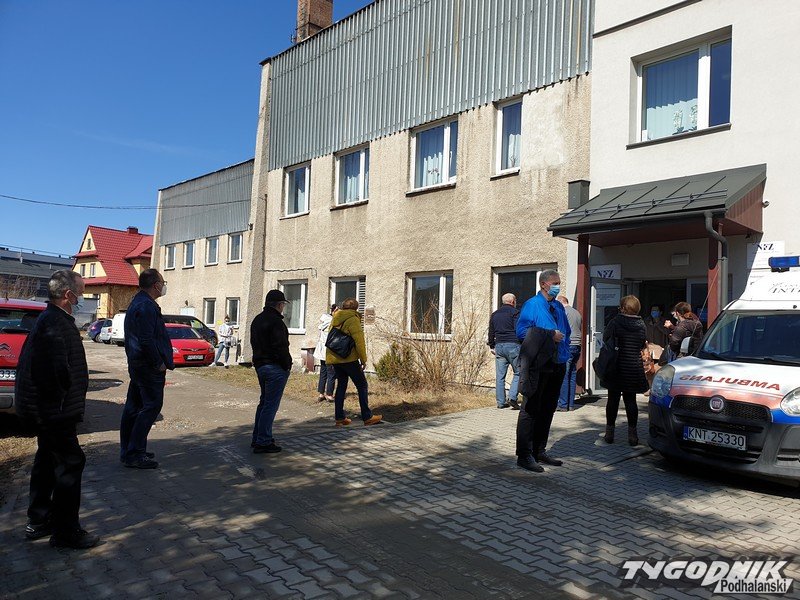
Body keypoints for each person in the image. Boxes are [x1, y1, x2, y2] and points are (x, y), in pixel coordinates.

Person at [15, 270, 99, 549]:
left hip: (48, 410)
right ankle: (66, 531)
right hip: (54, 412)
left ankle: (39, 519)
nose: (82, 298)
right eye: (81, 293)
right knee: (70, 462)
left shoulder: (53, 319)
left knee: (47, 461)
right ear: (68, 295)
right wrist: (61, 409)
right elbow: (52, 373)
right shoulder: (55, 324)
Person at [514, 270, 570, 471]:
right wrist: (549, 335)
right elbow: (522, 332)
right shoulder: (532, 304)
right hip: (539, 364)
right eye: (555, 283)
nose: (558, 286)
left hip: (558, 363)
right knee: (531, 409)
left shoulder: (558, 306)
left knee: (547, 409)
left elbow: (567, 331)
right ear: (544, 284)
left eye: (559, 283)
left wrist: (565, 351)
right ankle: (524, 455)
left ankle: (539, 450)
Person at [120, 269, 174, 469]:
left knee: (134, 408)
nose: (164, 286)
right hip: (147, 367)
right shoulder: (146, 306)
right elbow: (146, 339)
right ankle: (135, 453)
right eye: (162, 282)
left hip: (138, 365)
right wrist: (158, 363)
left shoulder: (138, 302)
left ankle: (129, 450)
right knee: (151, 407)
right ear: (156, 285)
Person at [326, 298, 382, 426]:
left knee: (341, 385)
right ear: (356, 308)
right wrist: (363, 359)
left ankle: (340, 418)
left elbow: (330, 337)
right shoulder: (353, 319)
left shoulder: (335, 318)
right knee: (362, 385)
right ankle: (367, 417)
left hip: (335, 357)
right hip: (349, 358)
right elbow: (359, 341)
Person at [601, 295, 649, 446]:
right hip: (633, 367)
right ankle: (633, 435)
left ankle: (609, 433)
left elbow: (606, 338)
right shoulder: (641, 324)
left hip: (616, 366)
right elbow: (641, 343)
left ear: (623, 307)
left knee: (612, 400)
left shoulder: (615, 322)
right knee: (631, 401)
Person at [250, 289, 293, 453]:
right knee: (270, 405)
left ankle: (258, 437)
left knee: (264, 403)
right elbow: (280, 347)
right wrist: (286, 364)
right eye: (283, 305)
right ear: (279, 305)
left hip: (261, 366)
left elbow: (254, 343)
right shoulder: (276, 322)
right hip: (275, 367)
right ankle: (263, 441)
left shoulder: (258, 319)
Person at [488, 293, 521, 410]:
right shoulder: (515, 313)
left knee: (500, 376)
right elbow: (519, 330)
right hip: (513, 345)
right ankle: (512, 397)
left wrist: (492, 345)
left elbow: (491, 332)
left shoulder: (495, 314)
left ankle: (501, 402)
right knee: (519, 372)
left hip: (499, 346)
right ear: (513, 301)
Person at [556, 296, 582, 412]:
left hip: (568, 345)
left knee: (564, 374)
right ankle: (571, 404)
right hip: (577, 345)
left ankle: (563, 404)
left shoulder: (563, 312)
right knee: (572, 374)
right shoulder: (577, 313)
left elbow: (561, 330)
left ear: (561, 303)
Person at [313, 304, 337, 402]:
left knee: (323, 372)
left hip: (321, 351)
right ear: (334, 311)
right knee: (331, 373)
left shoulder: (324, 320)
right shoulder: (333, 322)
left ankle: (321, 393)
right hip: (329, 351)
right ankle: (329, 394)